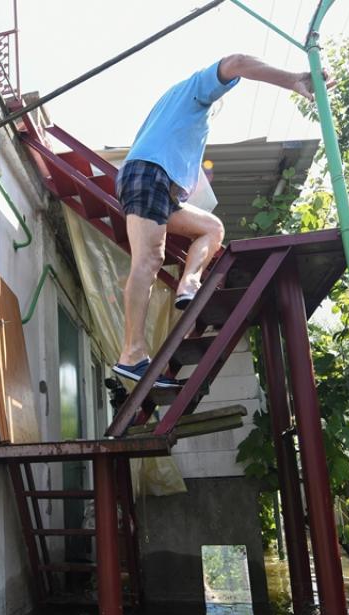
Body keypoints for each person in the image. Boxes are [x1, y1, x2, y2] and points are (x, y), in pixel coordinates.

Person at [111, 55, 329, 388]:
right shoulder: (196, 88)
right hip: (148, 175)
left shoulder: (174, 114)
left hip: (159, 186)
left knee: (212, 228)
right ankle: (132, 355)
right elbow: (236, 62)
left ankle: (189, 284)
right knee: (149, 259)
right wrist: (292, 80)